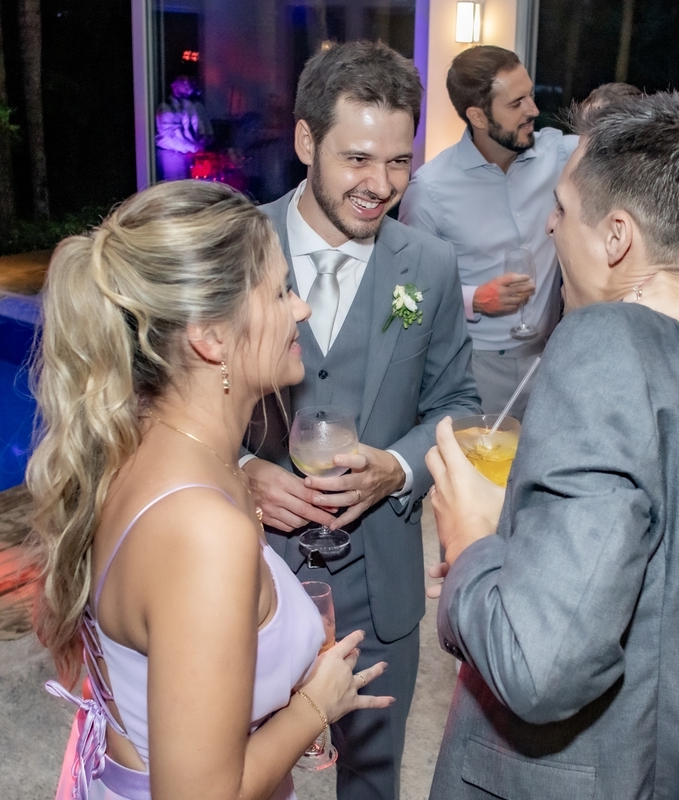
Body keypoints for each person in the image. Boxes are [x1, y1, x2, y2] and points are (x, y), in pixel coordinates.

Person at [423, 88, 679, 800]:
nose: (550, 226)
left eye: (561, 208)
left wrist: (474, 546)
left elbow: (539, 666)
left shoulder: (603, 344)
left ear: (616, 237)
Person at [30, 180, 392, 800]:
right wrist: (316, 704)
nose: (300, 310)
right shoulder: (204, 530)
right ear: (211, 337)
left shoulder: (140, 443)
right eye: (279, 292)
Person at [238, 41, 481, 800]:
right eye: (357, 159)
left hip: (379, 582)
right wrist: (240, 472)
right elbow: (169, 399)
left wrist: (397, 469)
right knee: (242, 772)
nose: (381, 185)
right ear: (305, 141)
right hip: (249, 574)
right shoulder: (236, 249)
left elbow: (458, 404)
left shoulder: (430, 266)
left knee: (374, 780)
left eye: (399, 162)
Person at [398, 45, 576, 417]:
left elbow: (623, 142)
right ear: (477, 116)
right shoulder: (430, 190)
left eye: (530, 96)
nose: (533, 110)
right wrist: (475, 299)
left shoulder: (559, 155)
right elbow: (405, 295)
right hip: (474, 368)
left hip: (551, 360)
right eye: (517, 103)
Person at [155, 76, 212, 181]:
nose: (187, 85)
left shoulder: (190, 105)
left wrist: (203, 138)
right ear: (173, 85)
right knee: (175, 183)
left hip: (189, 153)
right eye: (183, 82)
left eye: (188, 82)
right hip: (172, 155)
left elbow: (199, 126)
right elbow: (169, 136)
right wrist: (194, 147)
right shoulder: (165, 107)